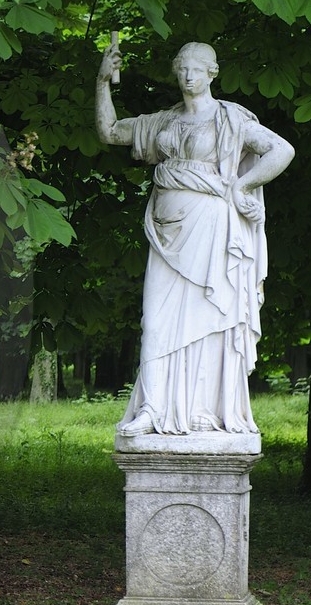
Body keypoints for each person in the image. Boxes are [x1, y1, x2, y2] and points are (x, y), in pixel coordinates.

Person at [96, 41, 295, 437]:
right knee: (155, 320)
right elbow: (110, 132)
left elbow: (281, 149)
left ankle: (205, 409)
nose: (189, 75)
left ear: (212, 73)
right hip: (167, 232)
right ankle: (154, 407)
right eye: (183, 68)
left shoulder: (231, 119)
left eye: (197, 68)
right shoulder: (162, 122)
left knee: (211, 315)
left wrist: (243, 185)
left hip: (212, 229)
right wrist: (103, 82)